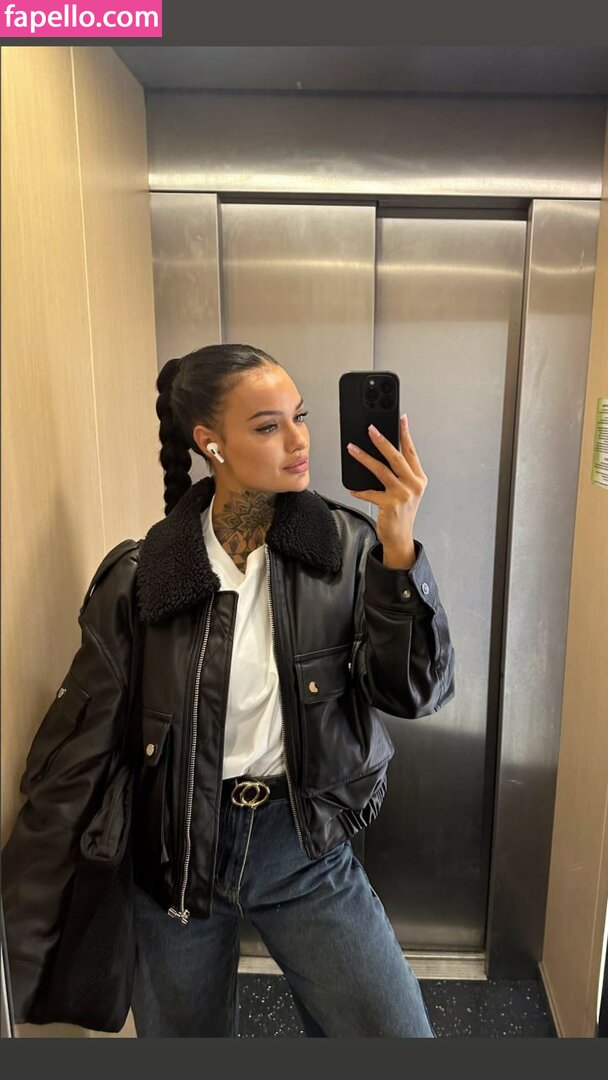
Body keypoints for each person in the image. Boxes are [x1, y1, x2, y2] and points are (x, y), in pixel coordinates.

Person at [2, 344, 455, 1038]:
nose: (299, 440)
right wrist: (30, 911)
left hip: (302, 850)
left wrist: (399, 548)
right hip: (176, 858)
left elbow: (414, 692)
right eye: (269, 426)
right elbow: (81, 753)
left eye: (300, 417)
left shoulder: (346, 551)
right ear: (210, 444)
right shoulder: (144, 577)